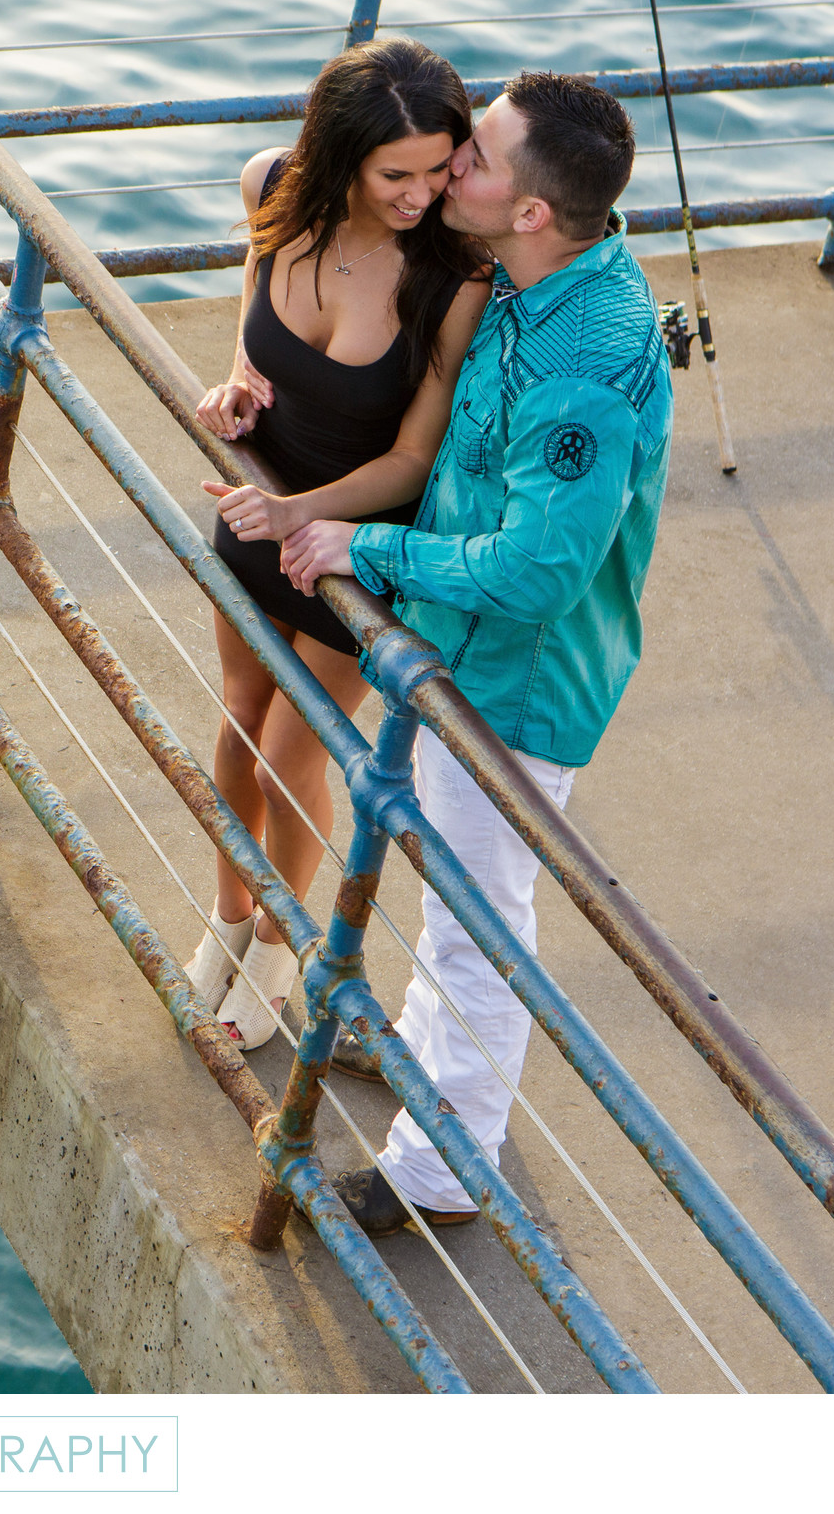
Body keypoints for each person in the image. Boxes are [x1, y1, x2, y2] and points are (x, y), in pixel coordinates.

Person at [273, 70, 672, 1235]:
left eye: (477, 157)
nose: (454, 167)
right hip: (449, 638)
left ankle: (442, 1175)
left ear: (532, 210)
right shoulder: (528, 268)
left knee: (477, 921)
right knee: (444, 880)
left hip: (515, 679)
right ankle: (414, 1062)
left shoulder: (581, 366)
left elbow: (540, 572)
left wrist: (373, 548)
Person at [178, 38, 492, 1048]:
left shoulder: (453, 276)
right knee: (234, 725)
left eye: (440, 170)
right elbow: (251, 322)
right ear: (340, 155)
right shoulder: (271, 187)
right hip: (252, 509)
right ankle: (226, 919)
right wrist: (232, 388)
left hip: (354, 548)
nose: (419, 194)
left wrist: (302, 512)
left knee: (288, 756)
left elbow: (411, 459)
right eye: (394, 174)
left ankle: (277, 950)